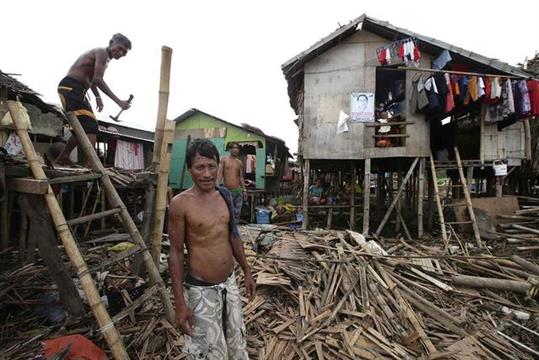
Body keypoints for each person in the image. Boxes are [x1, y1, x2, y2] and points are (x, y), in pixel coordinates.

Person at [168, 139, 255, 359]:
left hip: (229, 284)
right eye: (200, 167)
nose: (207, 173)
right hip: (201, 291)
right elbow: (176, 253)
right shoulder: (181, 204)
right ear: (189, 170)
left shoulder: (224, 195)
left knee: (236, 344)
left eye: (211, 166)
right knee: (208, 352)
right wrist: (180, 303)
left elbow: (233, 236)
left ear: (218, 166)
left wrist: (246, 270)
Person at [55, 33, 132, 166]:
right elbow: (98, 79)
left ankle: (64, 157)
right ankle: (91, 163)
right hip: (72, 88)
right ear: (111, 42)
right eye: (119, 48)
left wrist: (98, 97)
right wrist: (118, 101)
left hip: (76, 89)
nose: (120, 52)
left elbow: (92, 79)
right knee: (90, 126)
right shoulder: (101, 53)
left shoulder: (105, 58)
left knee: (81, 127)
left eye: (124, 52)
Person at [217, 142, 246, 222]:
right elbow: (220, 174)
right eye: (234, 148)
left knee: (237, 213)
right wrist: (216, 187)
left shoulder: (239, 162)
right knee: (228, 211)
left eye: (237, 148)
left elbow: (240, 177)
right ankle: (228, 229)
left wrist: (244, 190)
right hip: (228, 191)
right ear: (230, 149)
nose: (236, 150)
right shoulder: (224, 160)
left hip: (238, 191)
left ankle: (235, 230)